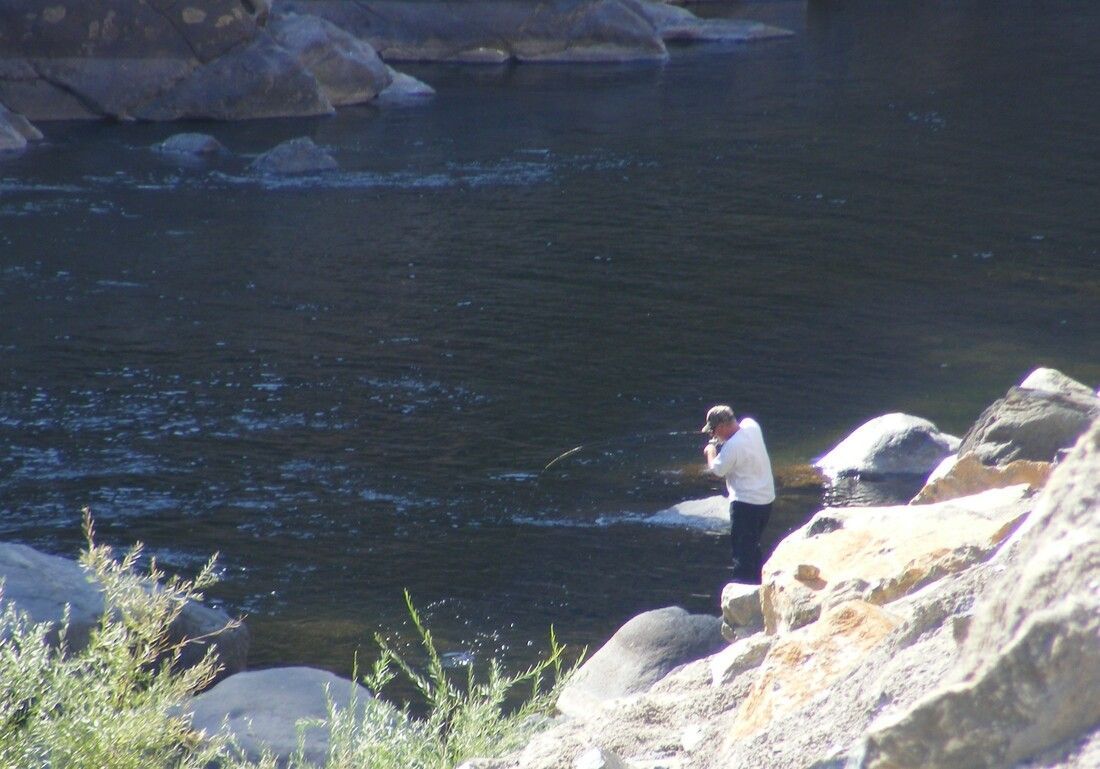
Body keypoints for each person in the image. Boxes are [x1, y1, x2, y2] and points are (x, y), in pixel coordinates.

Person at [701, 404, 775, 583]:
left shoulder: (732, 447)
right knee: (753, 547)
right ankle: (758, 584)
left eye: (713, 431)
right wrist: (721, 442)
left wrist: (711, 451)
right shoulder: (752, 425)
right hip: (766, 501)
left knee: (742, 554)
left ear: (721, 426)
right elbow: (736, 439)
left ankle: (742, 590)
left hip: (745, 505)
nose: (713, 435)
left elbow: (717, 470)